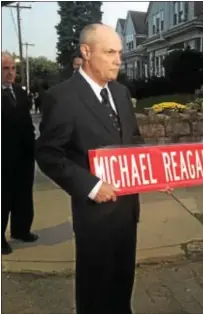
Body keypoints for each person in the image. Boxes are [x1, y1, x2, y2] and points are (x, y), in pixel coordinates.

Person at [36, 24, 144, 314]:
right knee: (96, 289)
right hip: (95, 214)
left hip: (128, 207)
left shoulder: (121, 93)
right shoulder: (63, 97)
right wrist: (91, 186)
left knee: (123, 284)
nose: (118, 59)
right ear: (86, 52)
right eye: (110, 52)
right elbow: (48, 154)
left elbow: (134, 140)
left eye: (120, 53)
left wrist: (154, 172)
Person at [1, 52, 38, 255]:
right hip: (2, 157)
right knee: (3, 198)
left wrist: (33, 146)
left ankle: (21, 230)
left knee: (23, 195)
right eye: (5, 68)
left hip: (23, 155)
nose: (10, 73)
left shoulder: (21, 93)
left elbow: (27, 123)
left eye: (12, 68)